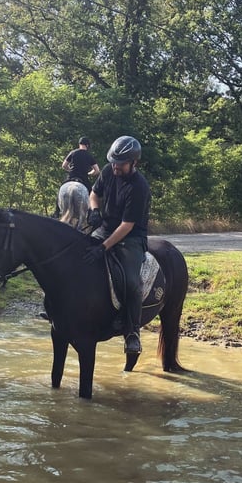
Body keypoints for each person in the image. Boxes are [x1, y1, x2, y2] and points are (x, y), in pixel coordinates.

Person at [82, 135, 150, 354]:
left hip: (131, 237)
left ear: (134, 163)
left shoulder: (139, 187)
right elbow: (94, 193)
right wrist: (94, 211)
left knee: (131, 281)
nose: (115, 167)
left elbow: (127, 225)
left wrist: (103, 247)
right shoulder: (108, 171)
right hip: (106, 228)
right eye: (113, 162)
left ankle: (132, 332)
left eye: (120, 163)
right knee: (76, 255)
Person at [52, 136, 100, 218]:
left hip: (71, 177)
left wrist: (70, 170)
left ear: (79, 144)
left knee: (61, 190)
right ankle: (91, 215)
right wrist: (89, 173)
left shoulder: (73, 152)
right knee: (92, 194)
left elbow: (64, 165)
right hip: (83, 179)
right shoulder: (89, 156)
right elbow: (97, 170)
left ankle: (56, 212)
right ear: (87, 145)